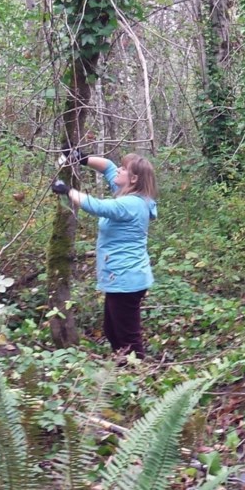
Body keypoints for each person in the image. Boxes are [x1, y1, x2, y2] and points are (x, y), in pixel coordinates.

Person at [52, 151, 158, 358]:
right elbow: (108, 166)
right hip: (121, 277)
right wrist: (79, 158)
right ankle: (123, 371)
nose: (119, 169)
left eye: (124, 169)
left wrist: (67, 191)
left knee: (128, 337)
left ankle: (138, 378)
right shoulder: (127, 192)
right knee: (112, 331)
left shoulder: (132, 204)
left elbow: (98, 206)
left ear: (134, 178)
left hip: (127, 278)